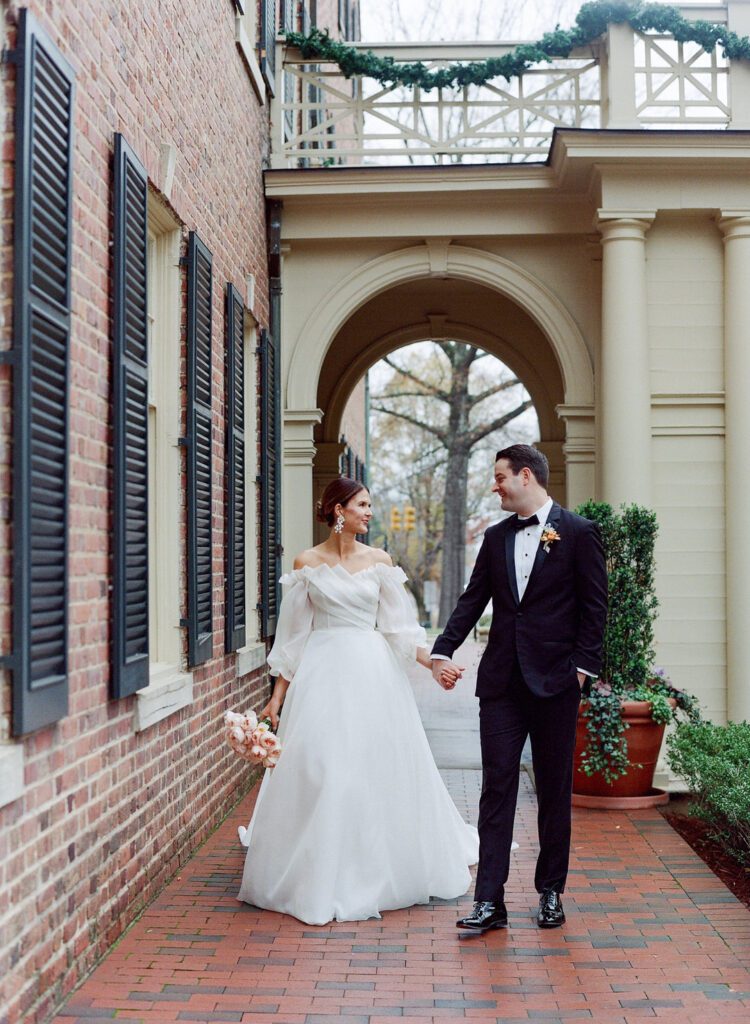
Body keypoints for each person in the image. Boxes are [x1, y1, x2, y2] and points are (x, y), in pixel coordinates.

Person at [237, 477, 478, 925]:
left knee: (373, 767)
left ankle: (372, 866)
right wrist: (275, 700)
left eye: (370, 505)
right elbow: (293, 640)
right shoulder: (306, 563)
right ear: (338, 510)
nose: (369, 512)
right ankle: (319, 867)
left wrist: (433, 664)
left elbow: (399, 632)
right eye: (363, 505)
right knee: (324, 768)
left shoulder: (381, 562)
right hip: (322, 678)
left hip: (373, 676)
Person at [431, 444, 607, 932]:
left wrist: (581, 670)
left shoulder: (579, 533)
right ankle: (489, 900)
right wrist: (442, 651)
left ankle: (551, 892)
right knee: (497, 789)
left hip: (557, 683)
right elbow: (472, 601)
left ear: (525, 476)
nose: (496, 485)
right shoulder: (494, 538)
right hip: (503, 684)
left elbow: (595, 610)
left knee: (553, 790)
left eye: (500, 477)